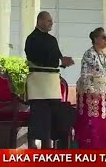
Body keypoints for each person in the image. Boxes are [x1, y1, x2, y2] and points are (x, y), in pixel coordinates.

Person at [25, 11, 74, 149]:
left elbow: (57, 58)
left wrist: (64, 62)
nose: (51, 23)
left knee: (54, 117)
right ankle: (34, 147)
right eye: (48, 21)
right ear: (39, 21)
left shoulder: (52, 40)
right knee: (39, 117)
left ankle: (51, 147)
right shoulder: (32, 39)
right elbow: (36, 58)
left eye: (51, 21)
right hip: (38, 84)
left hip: (52, 84)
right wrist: (59, 62)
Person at [74, 27, 106, 149]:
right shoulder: (89, 54)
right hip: (89, 97)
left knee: (102, 125)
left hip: (102, 97)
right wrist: (91, 91)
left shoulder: (104, 57)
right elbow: (85, 74)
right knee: (91, 124)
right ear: (96, 39)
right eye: (104, 38)